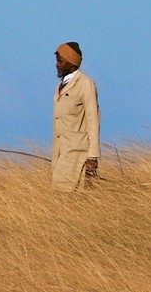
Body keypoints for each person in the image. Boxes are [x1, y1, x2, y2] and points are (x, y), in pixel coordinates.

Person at [51, 41, 101, 191]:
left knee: (67, 196)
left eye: (60, 61)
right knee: (59, 196)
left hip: (78, 152)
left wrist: (93, 156)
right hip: (60, 151)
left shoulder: (85, 84)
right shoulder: (61, 85)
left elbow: (93, 121)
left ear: (72, 62)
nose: (57, 65)